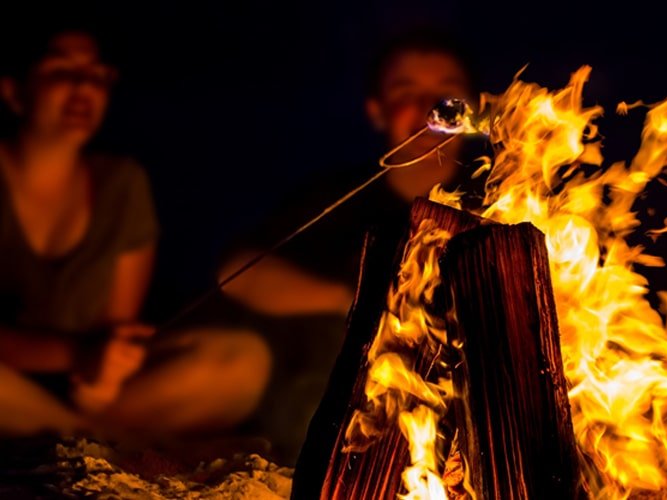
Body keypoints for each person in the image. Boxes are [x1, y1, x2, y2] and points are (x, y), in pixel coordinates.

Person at [219, 29, 480, 463]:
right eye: (405, 93)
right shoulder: (342, 200)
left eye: (446, 96)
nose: (427, 111)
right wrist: (349, 301)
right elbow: (238, 273)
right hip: (338, 417)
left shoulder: (506, 201)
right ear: (377, 112)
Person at [0, 23, 270, 438]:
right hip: (12, 383)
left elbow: (117, 331)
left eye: (96, 76)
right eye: (60, 71)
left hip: (84, 394)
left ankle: (69, 433)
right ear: (13, 91)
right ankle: (76, 437)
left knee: (243, 359)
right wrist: (77, 354)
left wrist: (104, 376)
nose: (82, 87)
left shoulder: (121, 184)